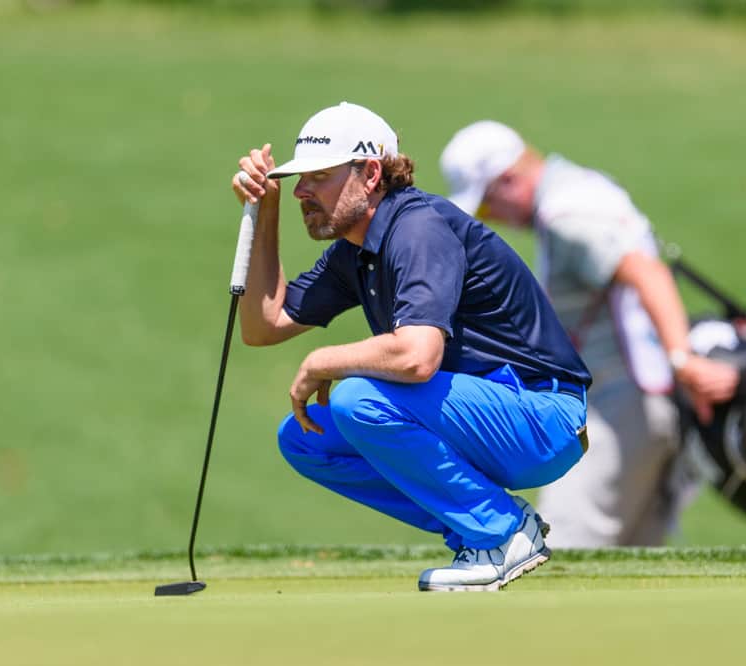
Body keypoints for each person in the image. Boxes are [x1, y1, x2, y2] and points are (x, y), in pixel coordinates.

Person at [231, 102, 592, 591]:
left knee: (358, 400)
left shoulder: (417, 228)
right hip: (481, 414)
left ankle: (504, 531)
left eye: (318, 176)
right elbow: (263, 324)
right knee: (305, 439)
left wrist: (324, 360)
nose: (301, 191)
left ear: (371, 172)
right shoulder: (355, 251)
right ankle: (476, 530)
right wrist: (264, 211)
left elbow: (418, 357)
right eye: (299, 180)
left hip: (542, 415)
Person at [439, 121, 740, 547]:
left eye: (487, 206)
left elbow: (647, 273)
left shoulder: (565, 215)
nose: (494, 220)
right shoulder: (585, 188)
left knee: (556, 548)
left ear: (508, 180)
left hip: (620, 408)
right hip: (647, 404)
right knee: (630, 567)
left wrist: (682, 358)